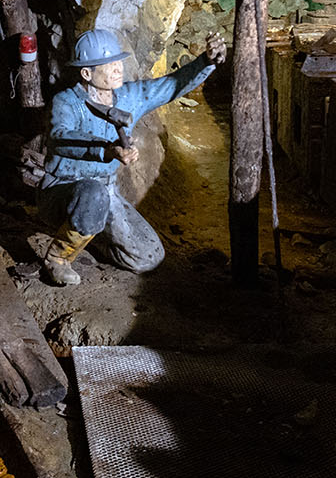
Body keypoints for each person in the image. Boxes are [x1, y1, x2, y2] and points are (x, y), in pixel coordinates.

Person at [38, 27, 227, 286]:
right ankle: (58, 259)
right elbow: (60, 138)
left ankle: (92, 238)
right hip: (62, 191)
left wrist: (206, 62)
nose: (119, 68)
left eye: (118, 62)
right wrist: (106, 149)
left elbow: (170, 85)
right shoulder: (66, 103)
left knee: (149, 257)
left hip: (107, 192)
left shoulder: (128, 97)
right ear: (86, 73)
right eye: (109, 64)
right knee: (93, 193)